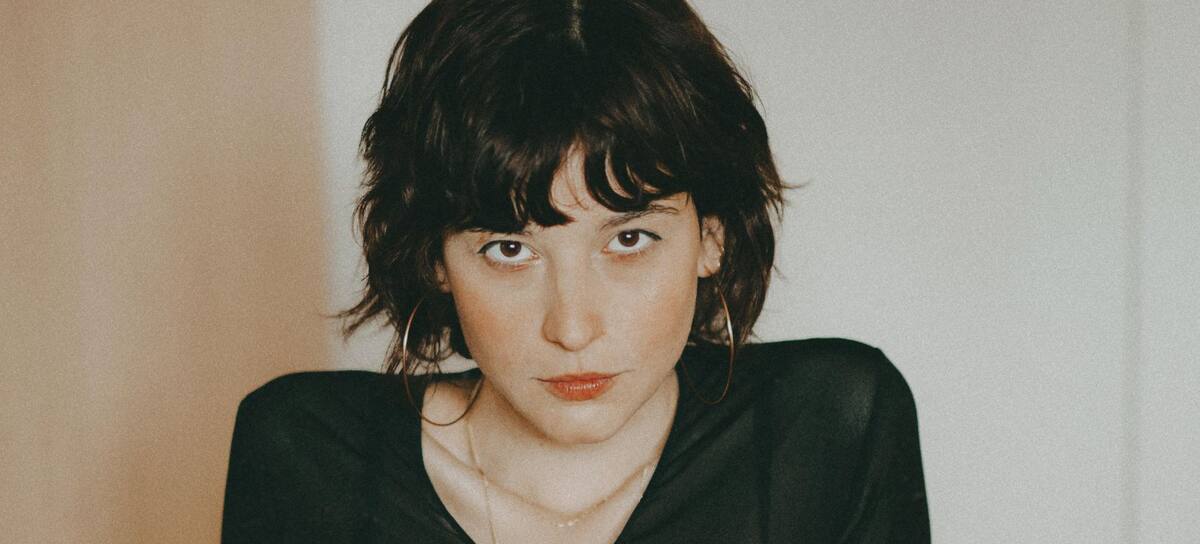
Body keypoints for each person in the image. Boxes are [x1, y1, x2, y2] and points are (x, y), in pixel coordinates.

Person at [221, 0, 929, 542]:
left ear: (710, 237)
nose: (572, 327)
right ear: (435, 257)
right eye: (510, 249)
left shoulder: (829, 428)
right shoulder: (305, 456)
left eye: (630, 239)